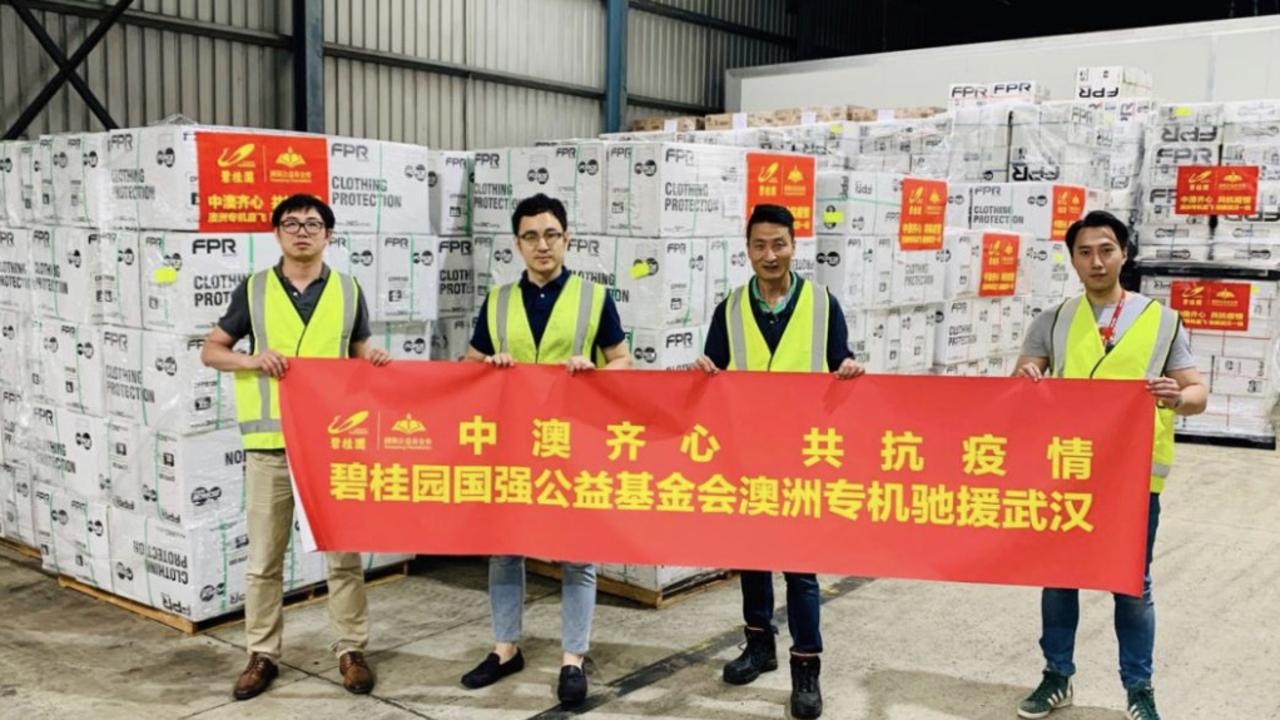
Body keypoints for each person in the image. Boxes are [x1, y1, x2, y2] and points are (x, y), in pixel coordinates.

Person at [1011, 210, 1207, 720]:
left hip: (1131, 479)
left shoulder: (1161, 321)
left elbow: (1197, 393)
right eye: (1084, 252)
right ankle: (1057, 677)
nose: (1096, 261)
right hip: (1066, 473)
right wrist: (1029, 376)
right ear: (1072, 259)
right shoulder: (1052, 320)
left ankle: (1139, 689)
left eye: (1106, 250)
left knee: (1131, 586)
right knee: (1058, 577)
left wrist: (1174, 397)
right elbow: (1023, 379)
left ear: (1124, 253)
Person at [201, 194, 391, 701]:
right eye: (292, 223)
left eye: (313, 224)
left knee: (342, 557)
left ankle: (350, 649)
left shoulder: (349, 290)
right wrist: (252, 360)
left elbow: (356, 352)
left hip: (333, 445)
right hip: (271, 447)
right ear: (277, 233)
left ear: (329, 234)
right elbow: (211, 350)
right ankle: (262, 653)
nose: (302, 231)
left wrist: (371, 356)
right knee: (264, 559)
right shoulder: (256, 289)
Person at [692, 203, 865, 720]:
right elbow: (714, 370)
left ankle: (806, 667)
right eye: (760, 246)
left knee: (801, 569)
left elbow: (840, 362)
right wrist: (702, 368)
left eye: (779, 244)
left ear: (794, 246)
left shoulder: (821, 303)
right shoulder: (729, 307)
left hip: (802, 458)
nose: (770, 255)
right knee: (751, 559)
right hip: (746, 457)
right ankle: (759, 645)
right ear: (747, 250)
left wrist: (850, 368)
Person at [459, 193, 630, 708]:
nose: (542, 245)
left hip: (572, 443)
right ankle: (505, 647)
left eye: (551, 234)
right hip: (512, 445)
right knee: (505, 549)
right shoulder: (499, 301)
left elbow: (623, 362)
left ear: (567, 239)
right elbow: (468, 365)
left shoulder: (593, 298)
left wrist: (595, 371)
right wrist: (488, 367)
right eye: (531, 236)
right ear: (517, 244)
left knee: (578, 554)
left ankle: (572, 658)